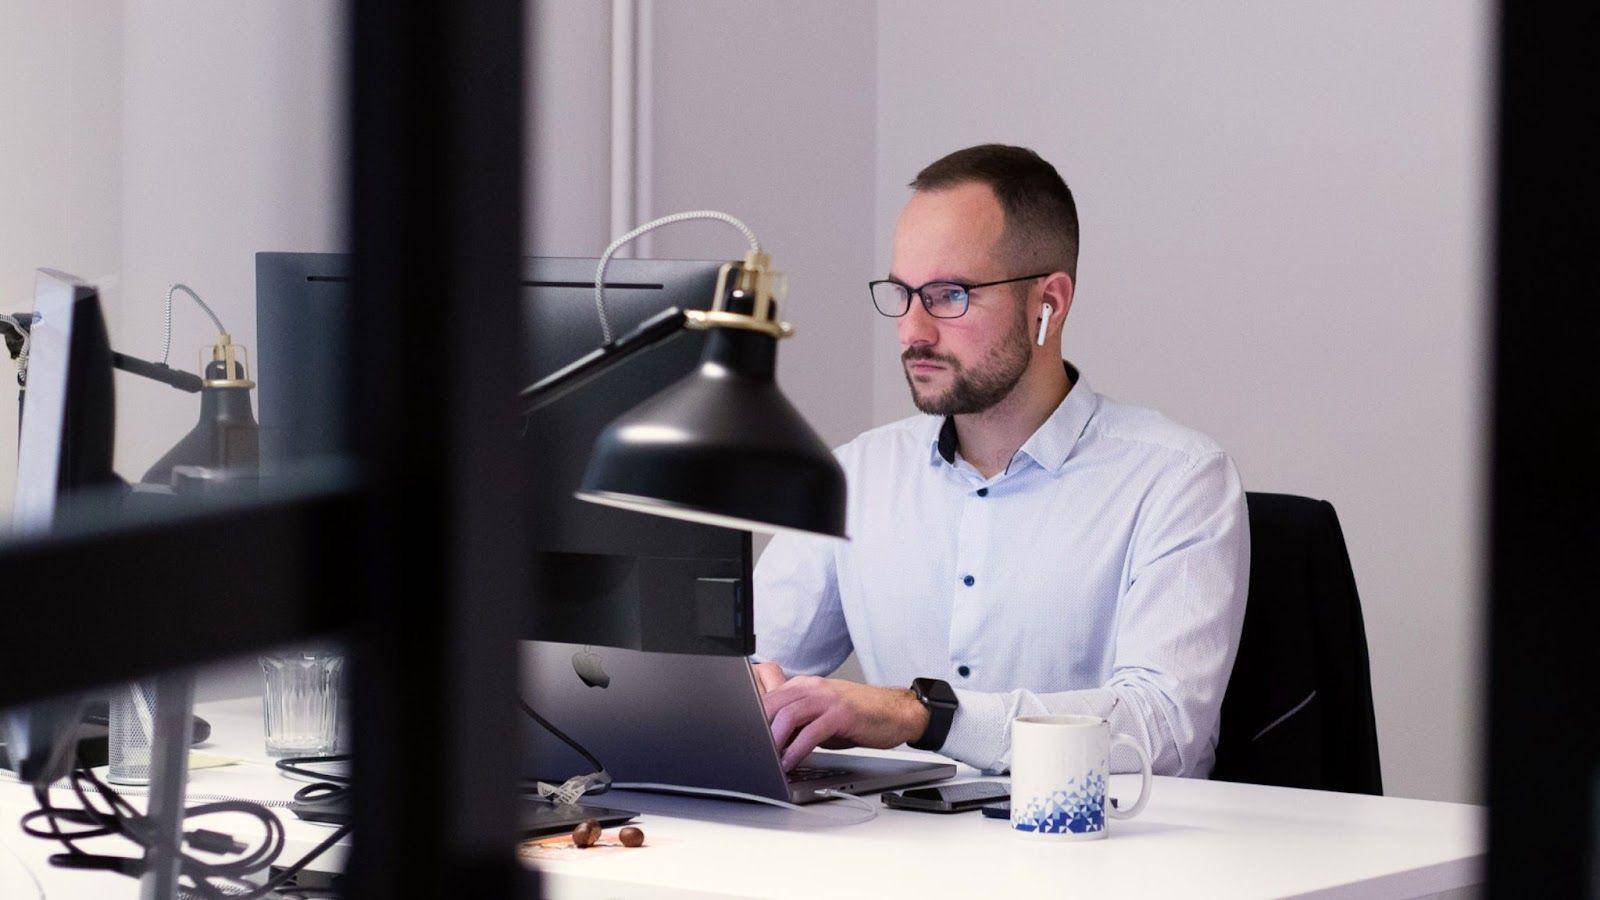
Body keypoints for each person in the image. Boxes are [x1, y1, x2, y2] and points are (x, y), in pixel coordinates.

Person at [753, 144, 1250, 777]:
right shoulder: (853, 477)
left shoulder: (1178, 479)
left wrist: (925, 715)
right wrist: (744, 694)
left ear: (1049, 302)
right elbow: (751, 670)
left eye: (949, 295)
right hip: (897, 859)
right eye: (901, 294)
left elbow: (1162, 729)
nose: (912, 331)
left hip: (1099, 861)